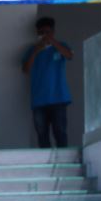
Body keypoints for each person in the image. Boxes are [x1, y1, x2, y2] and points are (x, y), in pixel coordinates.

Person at [21, 17, 74, 150]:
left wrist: (53, 42)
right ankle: (46, 161)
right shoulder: (32, 50)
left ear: (53, 32)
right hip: (39, 101)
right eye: (41, 33)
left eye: (47, 32)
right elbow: (25, 69)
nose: (44, 35)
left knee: (60, 132)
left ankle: (63, 160)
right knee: (42, 135)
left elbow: (69, 55)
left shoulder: (61, 46)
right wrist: (36, 51)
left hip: (59, 98)